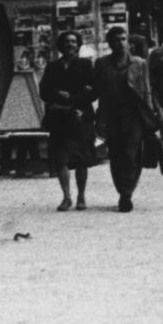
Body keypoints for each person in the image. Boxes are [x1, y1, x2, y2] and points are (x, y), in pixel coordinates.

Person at [92, 26, 160, 212]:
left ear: (128, 42)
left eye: (123, 39)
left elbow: (146, 92)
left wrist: (150, 119)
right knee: (116, 155)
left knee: (131, 155)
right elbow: (96, 90)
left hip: (134, 116)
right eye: (116, 39)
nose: (120, 43)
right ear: (110, 43)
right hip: (111, 116)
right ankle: (122, 188)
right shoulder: (102, 64)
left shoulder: (139, 63)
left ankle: (126, 194)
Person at [38, 31, 97, 211]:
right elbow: (44, 92)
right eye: (66, 41)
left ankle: (81, 196)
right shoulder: (52, 67)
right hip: (59, 118)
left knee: (81, 158)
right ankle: (66, 197)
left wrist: (72, 96)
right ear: (60, 45)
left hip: (80, 117)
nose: (70, 44)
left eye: (73, 41)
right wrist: (57, 94)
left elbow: (93, 91)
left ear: (78, 44)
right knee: (61, 159)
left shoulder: (86, 65)